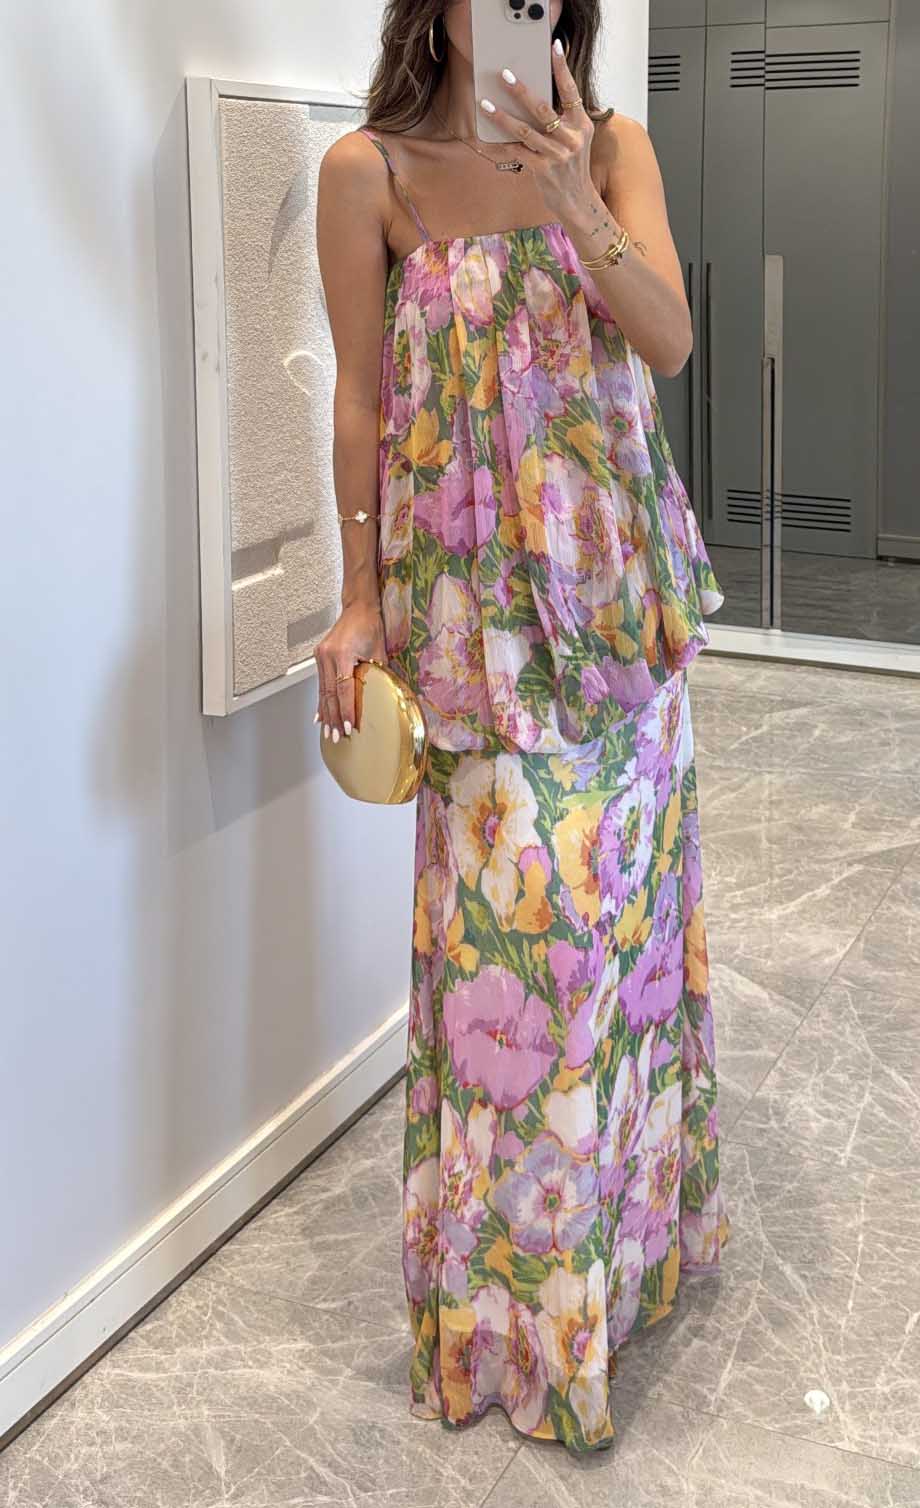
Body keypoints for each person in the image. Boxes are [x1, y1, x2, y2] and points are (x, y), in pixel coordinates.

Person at [313, 0, 729, 1453]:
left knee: (619, 959)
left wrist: (572, 201)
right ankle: (505, 1319)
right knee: (509, 967)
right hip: (470, 631)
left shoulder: (611, 150)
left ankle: (619, 1266)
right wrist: (356, 597)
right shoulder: (369, 173)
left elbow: (668, 342)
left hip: (616, 613)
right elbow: (362, 400)